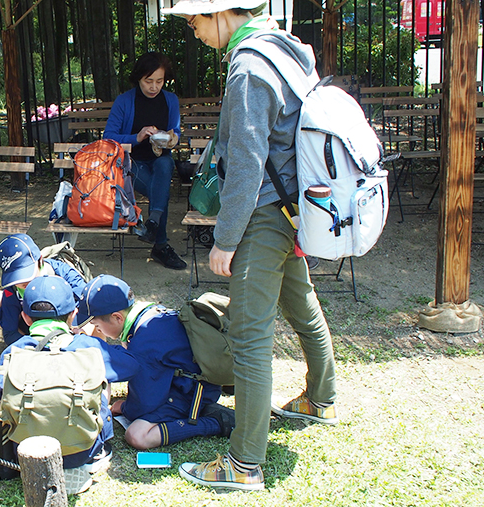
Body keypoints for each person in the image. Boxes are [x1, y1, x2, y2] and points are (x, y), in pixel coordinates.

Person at [162, 0, 338, 492]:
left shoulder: (248, 67)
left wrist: (225, 240)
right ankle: (320, 400)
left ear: (221, 12)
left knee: (249, 338)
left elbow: (245, 163)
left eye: (195, 19)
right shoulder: (287, 50)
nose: (193, 30)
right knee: (302, 307)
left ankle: (243, 465)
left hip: (263, 216)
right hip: (293, 207)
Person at [0, 276, 139, 494]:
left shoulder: (12, 352)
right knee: (102, 377)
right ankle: (98, 451)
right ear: (73, 315)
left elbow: (0, 391)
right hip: (84, 452)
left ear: (25, 317)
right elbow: (131, 367)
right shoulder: (90, 346)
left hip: (26, 452)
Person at [76, 274, 235, 450]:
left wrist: (126, 408)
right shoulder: (150, 314)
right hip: (194, 381)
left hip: (195, 391)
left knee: (137, 435)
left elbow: (145, 403)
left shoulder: (143, 343)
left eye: (98, 326)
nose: (98, 330)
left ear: (117, 318)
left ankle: (216, 422)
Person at [103, 52, 187, 271]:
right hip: (131, 163)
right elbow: (108, 138)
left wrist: (169, 138)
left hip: (159, 160)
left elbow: (175, 132)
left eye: (159, 81)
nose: (154, 87)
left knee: (165, 164)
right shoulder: (124, 101)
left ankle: (152, 225)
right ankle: (160, 244)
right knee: (160, 190)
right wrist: (137, 137)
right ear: (139, 79)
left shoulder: (170, 100)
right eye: (148, 81)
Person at [0, 234, 88, 346]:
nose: (21, 282)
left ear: (40, 260)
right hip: (32, 332)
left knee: (93, 318)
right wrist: (34, 348)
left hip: (67, 328)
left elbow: (90, 307)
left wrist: (78, 334)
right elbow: (10, 333)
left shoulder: (64, 273)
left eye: (26, 273)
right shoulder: (13, 288)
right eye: (16, 277)